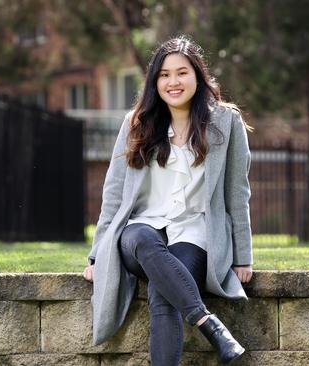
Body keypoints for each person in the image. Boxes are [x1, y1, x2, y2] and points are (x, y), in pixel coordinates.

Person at [82, 35, 254, 365]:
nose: (173, 82)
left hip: (194, 233)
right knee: (142, 237)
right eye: (164, 74)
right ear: (154, 81)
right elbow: (114, 194)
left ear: (197, 77)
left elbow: (237, 193)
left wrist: (242, 255)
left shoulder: (226, 123)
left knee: (164, 294)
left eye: (181, 72)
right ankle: (209, 324)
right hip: (140, 232)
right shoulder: (136, 123)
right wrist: (96, 256)